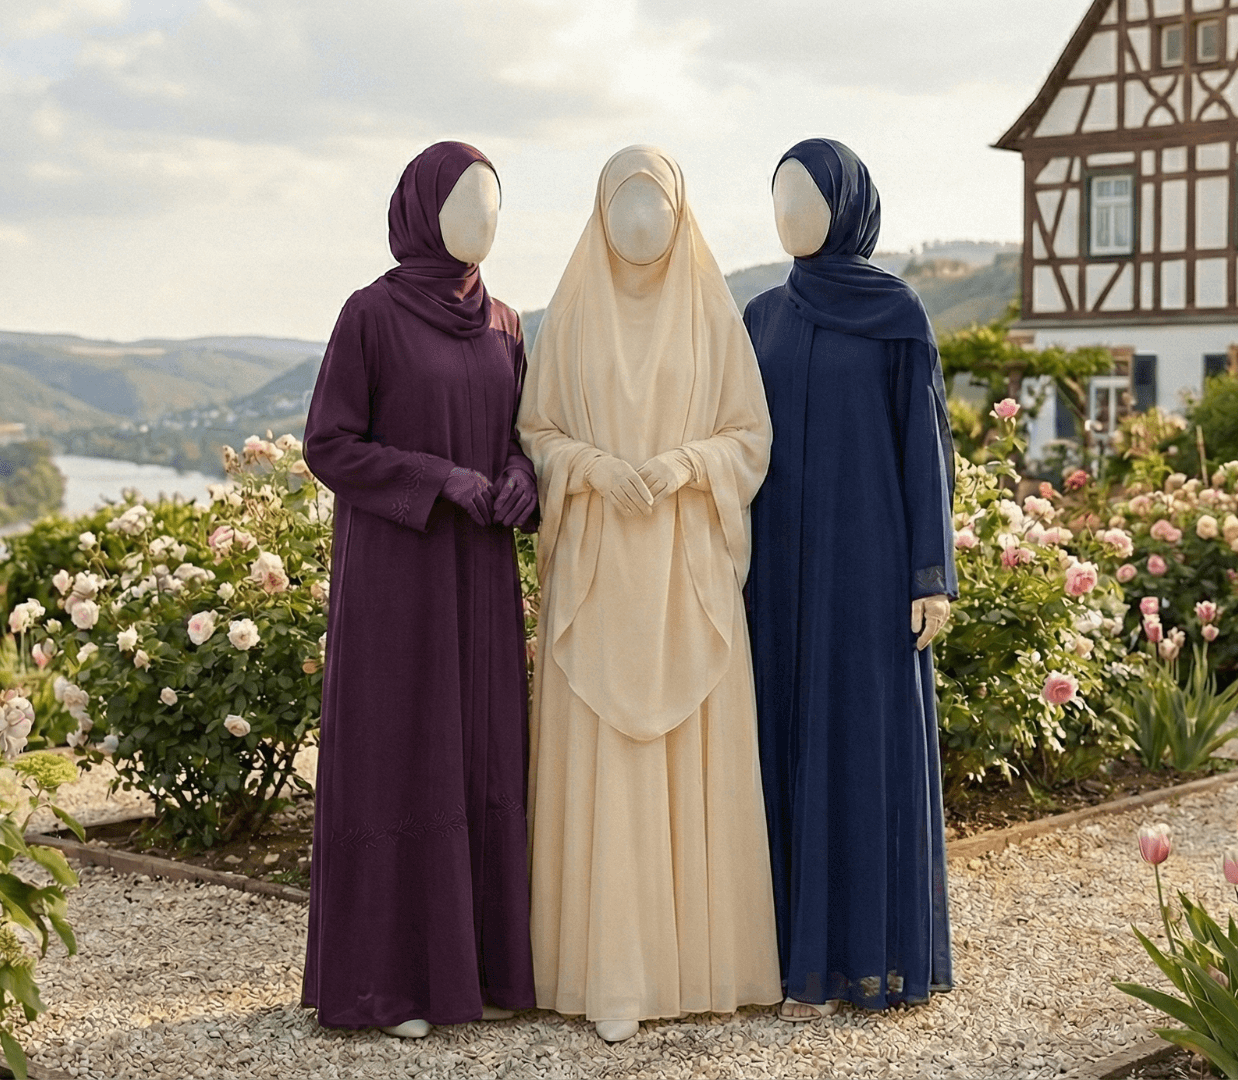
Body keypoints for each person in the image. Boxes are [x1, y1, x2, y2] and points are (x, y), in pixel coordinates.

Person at [519, 145, 780, 1043]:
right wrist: (587, 464)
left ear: (681, 213)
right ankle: (604, 969)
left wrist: (685, 464)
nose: (640, 218)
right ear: (599, 212)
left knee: (685, 748)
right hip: (597, 568)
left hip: (684, 565)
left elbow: (750, 434)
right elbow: (536, 428)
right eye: (623, 200)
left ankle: (700, 961)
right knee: (605, 761)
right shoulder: (570, 317)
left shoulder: (715, 316)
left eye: (655, 200)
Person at [300, 140, 536, 1038]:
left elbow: (519, 430)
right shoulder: (370, 314)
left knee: (479, 748)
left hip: (480, 573)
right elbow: (330, 443)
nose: (483, 221)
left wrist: (521, 475)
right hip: (399, 579)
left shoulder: (509, 323)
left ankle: (481, 973)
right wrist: (437, 479)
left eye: (493, 204)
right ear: (420, 211)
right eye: (466, 202)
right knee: (405, 751)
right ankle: (389, 985)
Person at [743, 137, 958, 1021]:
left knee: (859, 748)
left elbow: (925, 449)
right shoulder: (758, 317)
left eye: (807, 195)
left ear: (848, 205)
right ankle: (790, 960)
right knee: (781, 745)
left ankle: (861, 961)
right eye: (779, 195)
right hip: (773, 577)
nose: (790, 212)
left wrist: (930, 575)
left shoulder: (897, 312)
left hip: (867, 572)